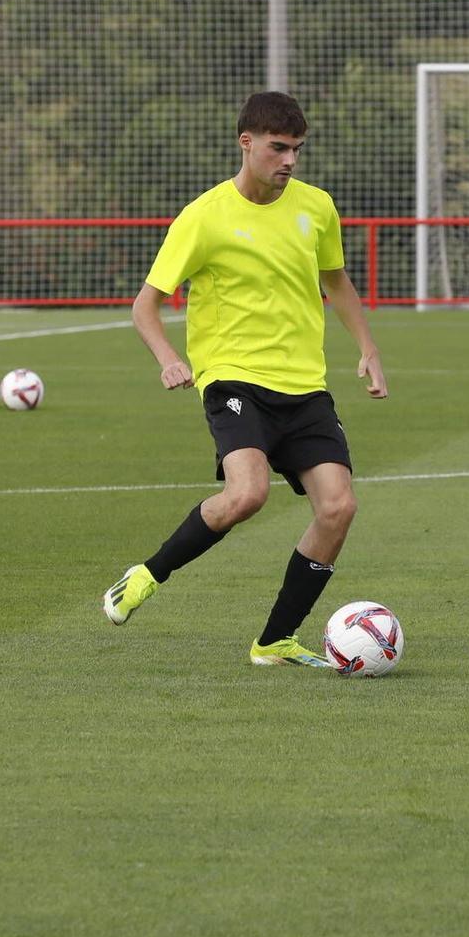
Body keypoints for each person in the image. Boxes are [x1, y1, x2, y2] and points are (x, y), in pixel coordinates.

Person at [101, 91, 387, 668]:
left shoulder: (316, 208)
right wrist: (167, 358)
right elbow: (145, 305)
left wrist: (367, 348)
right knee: (247, 494)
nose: (289, 161)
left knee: (338, 509)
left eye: (297, 150)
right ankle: (147, 575)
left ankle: (274, 640)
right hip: (234, 381)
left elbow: (337, 282)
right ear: (247, 143)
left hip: (305, 386)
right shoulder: (204, 216)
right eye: (278, 148)